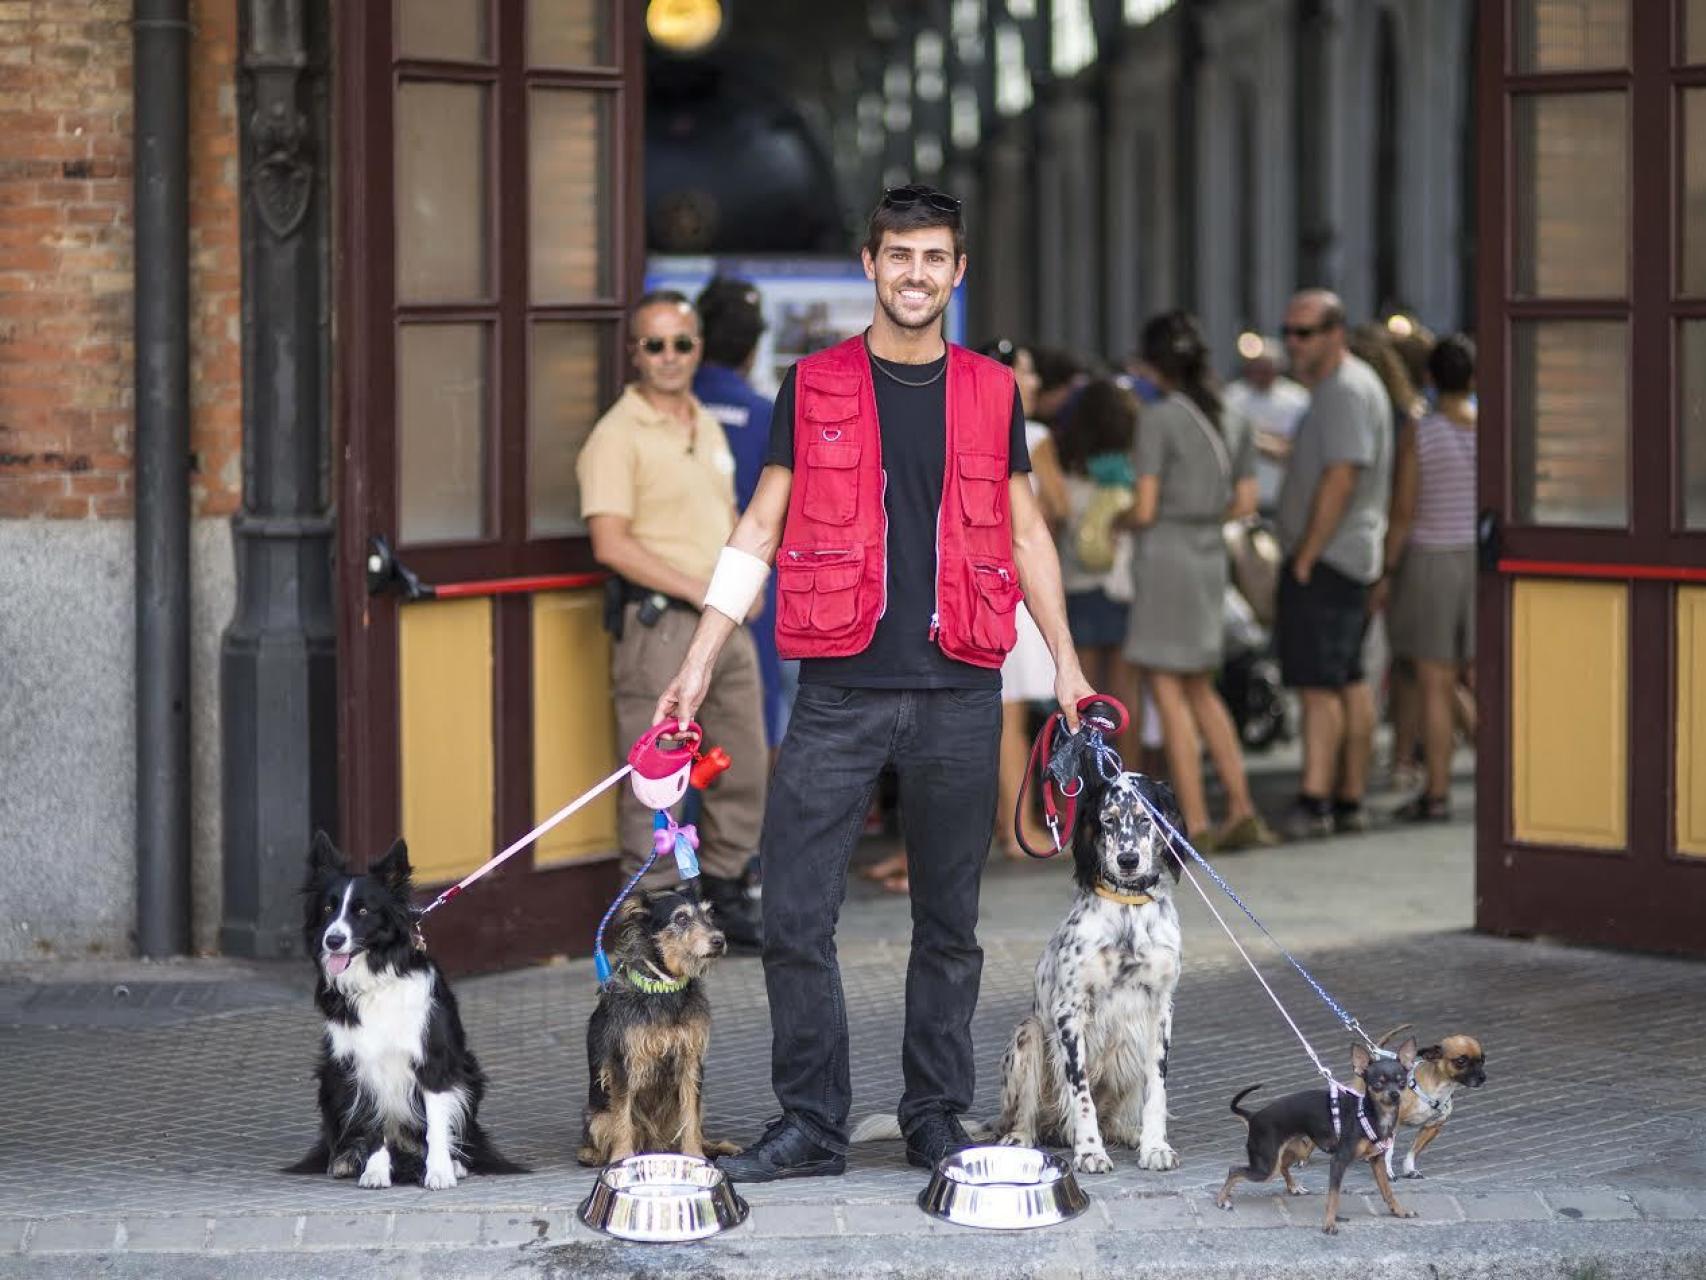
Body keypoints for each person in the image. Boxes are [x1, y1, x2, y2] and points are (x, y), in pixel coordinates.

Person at [651, 184, 1094, 1181]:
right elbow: (757, 528)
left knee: (949, 924)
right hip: (838, 692)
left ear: (957, 271)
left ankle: (934, 1114)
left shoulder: (990, 390)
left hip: (957, 691)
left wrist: (1063, 661)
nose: (914, 274)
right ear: (868, 265)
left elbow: (1025, 532)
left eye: (933, 258)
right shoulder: (809, 386)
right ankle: (811, 1122)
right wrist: (697, 655)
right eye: (898, 256)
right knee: (797, 919)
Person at [575, 291, 766, 950]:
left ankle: (725, 893)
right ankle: (651, 920)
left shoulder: (706, 424)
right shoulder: (616, 434)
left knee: (742, 762)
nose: (668, 357)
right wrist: (699, 587)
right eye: (653, 345)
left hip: (725, 622)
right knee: (658, 784)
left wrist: (745, 584)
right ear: (634, 353)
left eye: (680, 343)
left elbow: (733, 515)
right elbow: (611, 542)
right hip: (661, 627)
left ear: (698, 349)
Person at [1123, 312, 1276, 851]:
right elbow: (1248, 501)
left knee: (1168, 692)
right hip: (1211, 555)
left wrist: (1115, 520)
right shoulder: (1233, 416)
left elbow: (1142, 508)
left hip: (1166, 555)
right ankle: (1241, 807)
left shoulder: (1157, 418)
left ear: (1153, 363)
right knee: (1202, 690)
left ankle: (1195, 821)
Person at [1273, 290, 1393, 841]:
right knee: (1347, 680)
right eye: (1289, 332)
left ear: (1335, 333)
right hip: (1347, 554)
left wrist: (1307, 552)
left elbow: (1343, 474)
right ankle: (1347, 797)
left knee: (1321, 685)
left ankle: (1317, 798)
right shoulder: (1342, 388)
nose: (1293, 343)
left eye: (1305, 332)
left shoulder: (1344, 390)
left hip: (1331, 557)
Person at [693, 276, 794, 755]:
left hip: (673, 587)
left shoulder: (676, 407)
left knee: (677, 730)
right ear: (754, 347)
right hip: (752, 589)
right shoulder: (765, 413)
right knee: (754, 729)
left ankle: (679, 834)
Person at [1382, 333, 1478, 822]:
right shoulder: (1489, 429)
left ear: (1429, 378)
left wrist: (1387, 570)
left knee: (1435, 683)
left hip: (1431, 559)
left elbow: (1403, 510)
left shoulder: (1421, 432)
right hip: (1476, 560)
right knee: (1477, 677)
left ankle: (1436, 791)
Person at [1054, 379, 1144, 767]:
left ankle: (1080, 780)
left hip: (1080, 584)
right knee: (1127, 692)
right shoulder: (1131, 467)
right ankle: (1130, 776)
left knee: (1081, 696)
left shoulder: (1069, 464)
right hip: (1124, 585)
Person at [1223, 336, 1309, 514]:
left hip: (1281, 495)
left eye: (1265, 367)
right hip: (1241, 497)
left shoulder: (1297, 399)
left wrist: (1253, 438)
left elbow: (1294, 448)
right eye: (1255, 367)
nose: (1259, 373)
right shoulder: (1232, 396)